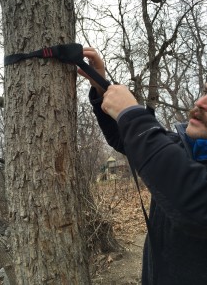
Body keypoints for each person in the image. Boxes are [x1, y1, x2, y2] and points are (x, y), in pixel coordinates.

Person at [78, 47, 207, 285]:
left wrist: (132, 114)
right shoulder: (181, 146)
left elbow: (194, 201)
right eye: (205, 92)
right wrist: (100, 83)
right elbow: (125, 139)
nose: (200, 102)